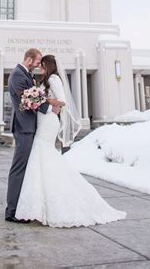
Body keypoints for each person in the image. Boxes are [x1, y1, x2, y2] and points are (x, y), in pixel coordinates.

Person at [15, 54, 127, 227]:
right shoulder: (46, 80)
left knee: (42, 152)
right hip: (43, 120)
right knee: (42, 157)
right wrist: (42, 100)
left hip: (48, 122)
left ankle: (47, 203)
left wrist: (48, 102)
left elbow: (62, 102)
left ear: (49, 66)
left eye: (42, 65)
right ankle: (40, 204)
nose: (40, 68)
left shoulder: (53, 79)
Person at [5, 48, 64, 223]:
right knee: (19, 169)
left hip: (32, 127)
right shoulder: (17, 75)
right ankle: (12, 211)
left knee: (29, 169)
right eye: (37, 62)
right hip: (24, 128)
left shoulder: (27, 75)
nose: (38, 66)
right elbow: (26, 99)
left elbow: (34, 97)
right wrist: (50, 104)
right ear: (29, 59)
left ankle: (23, 207)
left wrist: (50, 104)